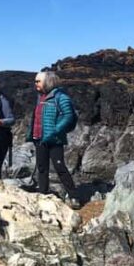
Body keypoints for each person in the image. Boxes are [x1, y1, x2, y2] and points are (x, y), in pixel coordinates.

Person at [27, 71, 79, 208]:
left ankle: (73, 196)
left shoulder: (61, 97)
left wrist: (55, 131)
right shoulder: (40, 97)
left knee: (60, 167)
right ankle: (43, 194)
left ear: (48, 81)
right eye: (35, 81)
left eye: (38, 81)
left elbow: (69, 116)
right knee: (42, 167)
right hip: (39, 139)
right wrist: (31, 134)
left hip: (55, 140)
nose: (35, 83)